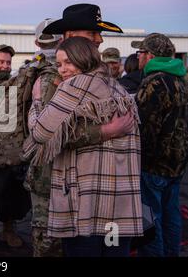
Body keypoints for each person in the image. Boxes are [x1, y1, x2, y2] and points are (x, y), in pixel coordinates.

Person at [28, 36, 143, 257]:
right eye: (59, 64)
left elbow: (39, 133)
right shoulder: (117, 87)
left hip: (88, 206)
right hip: (120, 206)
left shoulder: (76, 84)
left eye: (68, 62)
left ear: (82, 58)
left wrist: (37, 101)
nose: (62, 70)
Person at [133, 33, 188, 257]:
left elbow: (145, 128)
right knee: (171, 216)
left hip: (153, 166)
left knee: (150, 221)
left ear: (150, 56)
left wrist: (139, 159)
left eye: (140, 53)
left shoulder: (154, 82)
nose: (138, 58)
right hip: (176, 164)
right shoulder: (180, 80)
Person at [0, 44, 30, 248]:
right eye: (1, 62)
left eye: (8, 62)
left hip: (9, 150)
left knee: (8, 192)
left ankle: (8, 229)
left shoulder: (15, 84)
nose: (5, 66)